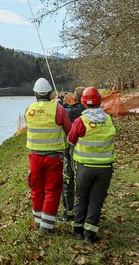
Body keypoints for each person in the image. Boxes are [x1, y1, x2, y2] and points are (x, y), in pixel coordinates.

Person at [68, 87, 116, 243]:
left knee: (81, 198)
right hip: (104, 169)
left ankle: (77, 230)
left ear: (83, 103)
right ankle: (90, 234)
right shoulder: (108, 119)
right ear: (99, 101)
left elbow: (71, 140)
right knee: (96, 200)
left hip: (84, 168)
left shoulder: (80, 121)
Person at [25, 77, 72, 234]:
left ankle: (38, 222)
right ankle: (46, 227)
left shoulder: (29, 110)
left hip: (35, 157)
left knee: (36, 189)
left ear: (35, 94)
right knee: (52, 190)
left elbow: (37, 116)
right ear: (51, 93)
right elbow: (69, 131)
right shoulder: (58, 110)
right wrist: (59, 105)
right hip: (54, 158)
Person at [59, 86, 86, 222]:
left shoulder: (75, 110)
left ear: (75, 97)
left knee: (67, 180)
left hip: (70, 150)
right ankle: (82, 212)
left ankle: (68, 212)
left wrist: (60, 101)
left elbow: (64, 111)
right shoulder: (87, 110)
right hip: (85, 154)